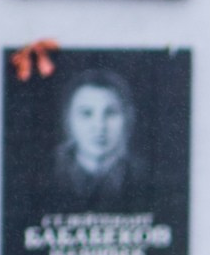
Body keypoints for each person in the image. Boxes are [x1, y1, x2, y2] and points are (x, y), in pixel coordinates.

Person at [50, 73, 145, 207]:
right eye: (86, 113)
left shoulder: (148, 175)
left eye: (110, 113)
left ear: (128, 118)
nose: (100, 126)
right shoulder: (44, 173)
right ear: (68, 120)